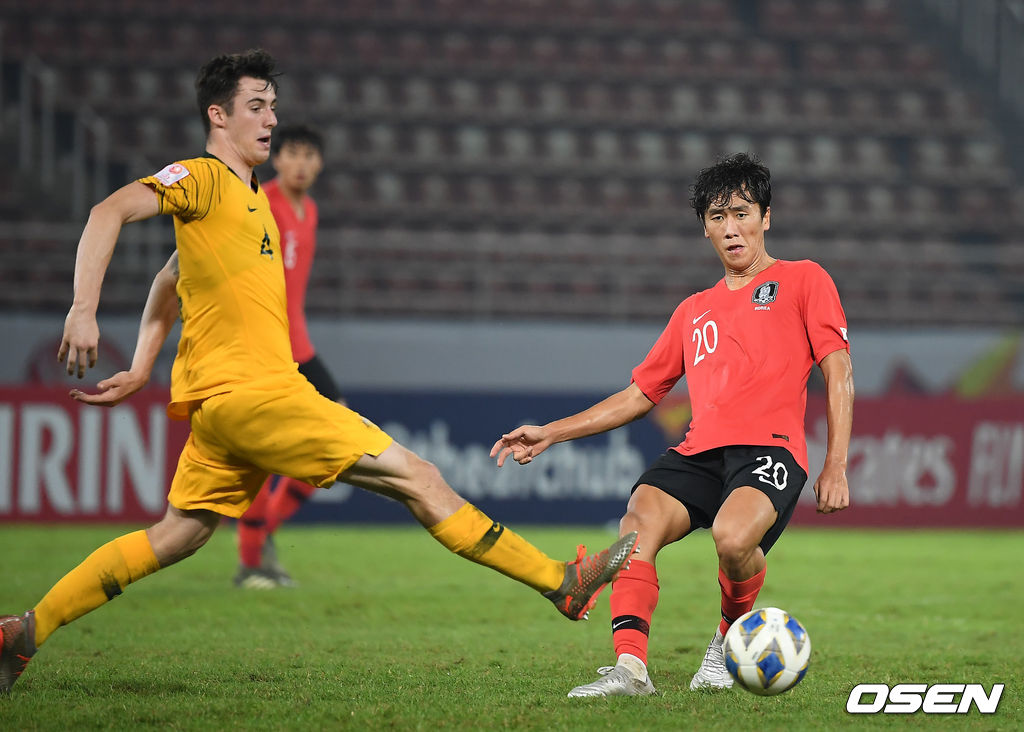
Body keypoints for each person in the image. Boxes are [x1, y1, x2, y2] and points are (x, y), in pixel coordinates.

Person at [0, 49, 638, 694]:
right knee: (419, 476)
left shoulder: (250, 203)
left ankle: (25, 629)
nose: (271, 119)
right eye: (256, 106)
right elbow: (105, 213)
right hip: (257, 395)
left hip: (226, 408)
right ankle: (562, 581)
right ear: (217, 116)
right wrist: (84, 311)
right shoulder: (199, 178)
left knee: (178, 535)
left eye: (273, 106)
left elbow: (170, 278)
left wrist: (141, 366)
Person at [490, 152, 854, 697]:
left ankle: (726, 642)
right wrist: (552, 431)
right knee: (636, 524)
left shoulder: (804, 279)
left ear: (766, 217)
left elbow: (838, 368)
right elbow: (641, 394)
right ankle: (630, 669)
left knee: (733, 542)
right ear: (704, 228)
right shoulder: (693, 311)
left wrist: (837, 465)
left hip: (770, 451)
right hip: (699, 451)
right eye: (716, 217)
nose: (730, 229)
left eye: (741, 213)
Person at [234, 123, 335, 589]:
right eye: (292, 153)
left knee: (332, 448)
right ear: (276, 158)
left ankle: (262, 537)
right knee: (260, 455)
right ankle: (252, 563)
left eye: (310, 155)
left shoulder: (309, 210)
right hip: (265, 349)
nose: (301, 163)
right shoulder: (259, 202)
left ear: (319, 164)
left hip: (301, 348)